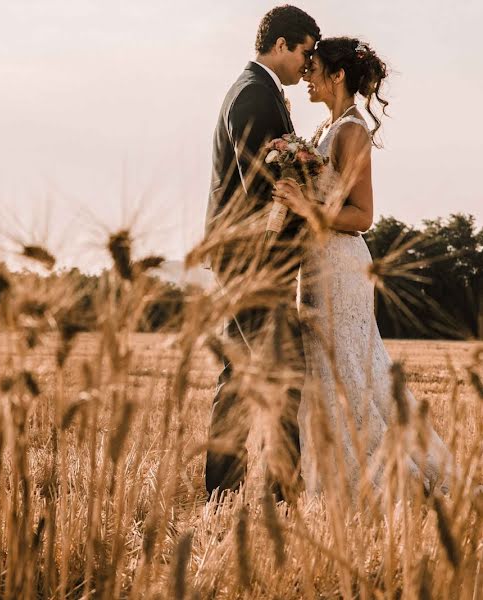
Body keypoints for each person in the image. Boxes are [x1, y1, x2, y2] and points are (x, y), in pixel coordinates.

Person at [272, 38, 453, 496]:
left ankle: (388, 484)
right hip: (315, 265)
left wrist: (302, 206)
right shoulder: (324, 130)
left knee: (349, 373)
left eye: (314, 68)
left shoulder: (352, 131)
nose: (307, 76)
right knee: (329, 373)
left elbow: (362, 216)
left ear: (337, 77)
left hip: (340, 268)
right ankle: (335, 480)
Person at [203, 5, 320, 502]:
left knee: (237, 380)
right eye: (305, 53)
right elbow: (263, 186)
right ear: (281, 45)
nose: (307, 65)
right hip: (254, 263)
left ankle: (221, 497)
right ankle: (282, 500)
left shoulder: (255, 90)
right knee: (283, 378)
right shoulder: (254, 96)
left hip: (240, 260)